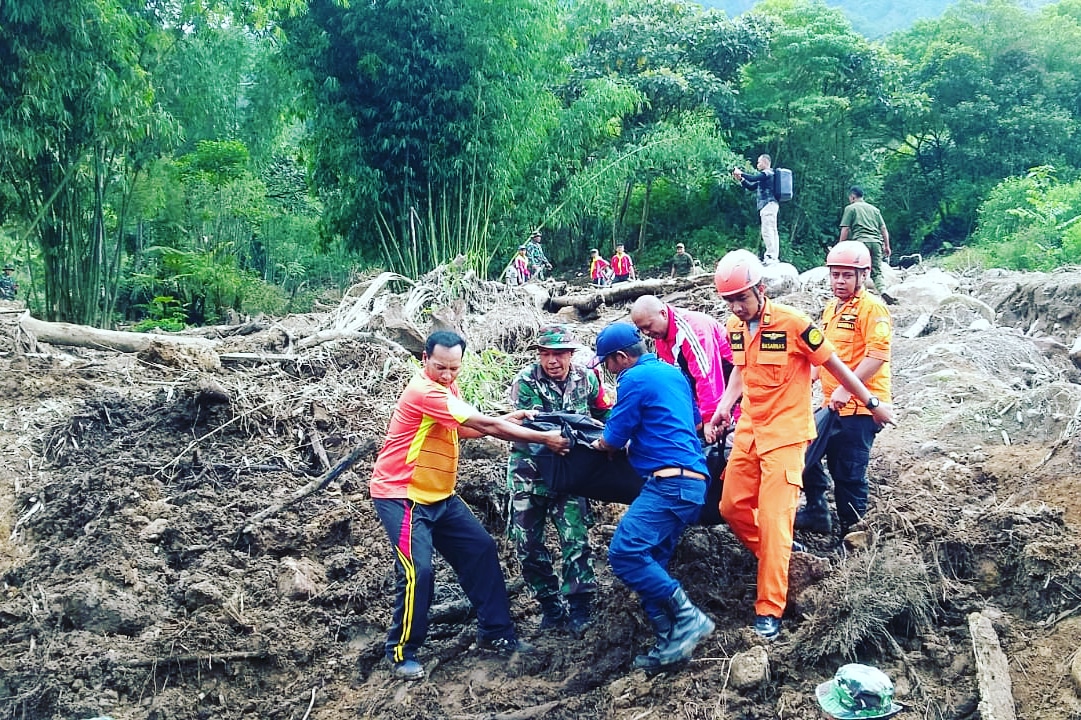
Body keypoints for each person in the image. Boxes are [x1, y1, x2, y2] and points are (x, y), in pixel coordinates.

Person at [704, 250, 895, 640]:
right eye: (730, 301)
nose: (737, 307)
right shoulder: (734, 328)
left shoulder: (795, 324)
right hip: (750, 432)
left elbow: (836, 366)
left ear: (760, 289)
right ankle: (782, 559)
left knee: (776, 520)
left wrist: (873, 403)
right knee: (731, 506)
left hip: (788, 436)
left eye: (742, 297)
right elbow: (742, 370)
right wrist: (724, 406)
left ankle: (769, 607)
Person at [370, 330, 571, 681]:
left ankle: (496, 633)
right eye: (440, 368)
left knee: (480, 549)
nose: (447, 375)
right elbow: (485, 425)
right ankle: (401, 651)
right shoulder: (424, 390)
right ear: (424, 361)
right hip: (401, 496)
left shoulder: (447, 389)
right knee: (420, 571)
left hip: (440, 496)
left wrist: (511, 417)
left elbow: (463, 429)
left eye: (454, 368)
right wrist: (543, 438)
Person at [588, 323, 714, 670]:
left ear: (620, 357)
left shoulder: (633, 379)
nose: (610, 372)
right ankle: (668, 643)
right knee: (651, 560)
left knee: (625, 552)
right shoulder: (672, 374)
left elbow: (613, 436)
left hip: (669, 483)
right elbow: (685, 421)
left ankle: (690, 619)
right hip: (692, 483)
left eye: (608, 364)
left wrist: (601, 444)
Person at [506, 324, 613, 634]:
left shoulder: (587, 378)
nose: (552, 361)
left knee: (576, 539)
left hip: (570, 472)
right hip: (530, 472)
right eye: (545, 354)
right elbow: (532, 425)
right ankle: (550, 605)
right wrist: (573, 427)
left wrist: (605, 440)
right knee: (527, 545)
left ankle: (580, 605)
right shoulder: (526, 382)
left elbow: (604, 412)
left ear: (570, 354)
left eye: (558, 354)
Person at [797, 241, 892, 535]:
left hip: (861, 408)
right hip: (831, 404)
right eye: (835, 275)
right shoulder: (831, 308)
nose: (839, 281)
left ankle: (853, 537)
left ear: (864, 275)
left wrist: (847, 389)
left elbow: (877, 356)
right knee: (803, 451)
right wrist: (807, 376)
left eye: (846, 275)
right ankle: (817, 511)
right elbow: (826, 354)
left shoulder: (872, 308)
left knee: (848, 474)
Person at [629, 294, 732, 424]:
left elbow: (707, 376)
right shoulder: (660, 336)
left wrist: (709, 420)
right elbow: (675, 378)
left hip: (733, 387)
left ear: (663, 314)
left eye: (648, 326)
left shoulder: (692, 329)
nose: (646, 333)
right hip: (703, 394)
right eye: (641, 329)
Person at [839, 187, 891, 290]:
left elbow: (845, 229)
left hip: (861, 243)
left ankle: (859, 293)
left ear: (852, 197)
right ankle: (883, 290)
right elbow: (883, 228)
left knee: (857, 269)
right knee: (877, 271)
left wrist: (840, 247)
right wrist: (887, 246)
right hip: (876, 243)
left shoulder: (851, 208)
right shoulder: (874, 210)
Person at [733, 154, 780, 265]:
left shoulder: (768, 173)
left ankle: (771, 256)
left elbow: (754, 178)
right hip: (770, 206)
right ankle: (773, 255)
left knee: (768, 230)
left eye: (759, 162)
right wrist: (741, 179)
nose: (757, 164)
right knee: (772, 230)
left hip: (768, 204)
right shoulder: (766, 176)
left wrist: (741, 173)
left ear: (765, 163)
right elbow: (751, 186)